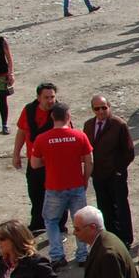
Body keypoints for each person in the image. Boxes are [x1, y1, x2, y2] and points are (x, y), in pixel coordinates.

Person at [32, 103, 93, 268]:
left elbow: (35, 164)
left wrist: (50, 159)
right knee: (80, 221)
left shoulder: (42, 139)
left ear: (52, 117)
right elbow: (89, 161)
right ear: (68, 117)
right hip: (76, 185)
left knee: (51, 221)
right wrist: (85, 179)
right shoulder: (79, 136)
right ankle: (82, 255)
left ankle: (57, 256)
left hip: (54, 187)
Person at [84, 95, 135, 246]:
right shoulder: (88, 125)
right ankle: (111, 237)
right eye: (97, 108)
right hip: (99, 175)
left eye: (104, 108)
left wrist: (119, 170)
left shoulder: (118, 125)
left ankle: (125, 238)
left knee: (120, 206)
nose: (101, 111)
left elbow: (129, 151)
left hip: (115, 175)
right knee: (104, 207)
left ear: (109, 107)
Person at [14, 83, 59, 231]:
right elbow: (21, 132)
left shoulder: (60, 112)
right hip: (34, 162)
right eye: (46, 97)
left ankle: (58, 226)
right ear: (38, 98)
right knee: (35, 194)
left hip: (53, 163)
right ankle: (38, 224)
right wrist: (16, 154)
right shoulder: (29, 110)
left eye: (52, 97)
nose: (50, 101)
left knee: (56, 197)